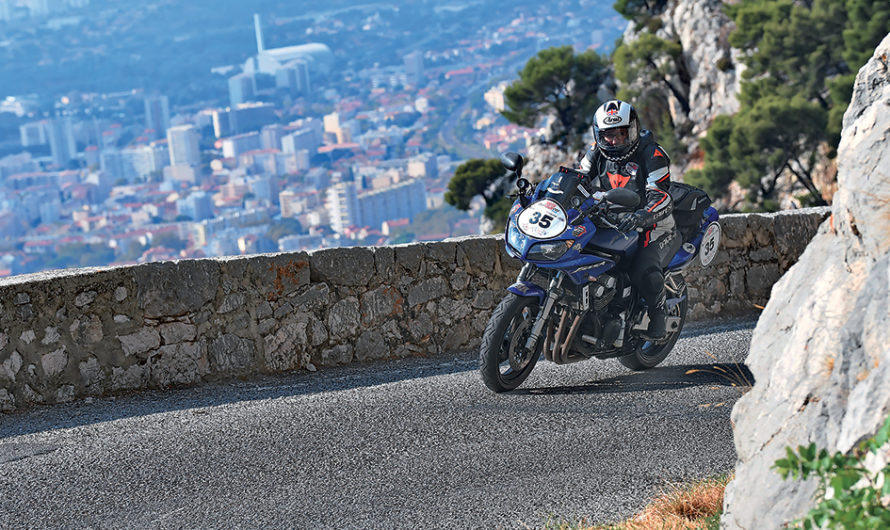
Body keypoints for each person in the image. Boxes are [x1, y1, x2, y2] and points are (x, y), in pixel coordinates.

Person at [577, 99, 679, 340]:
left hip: (653, 223)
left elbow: (661, 195)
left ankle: (658, 315)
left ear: (632, 130)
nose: (614, 141)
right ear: (599, 134)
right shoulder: (595, 152)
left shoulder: (652, 154)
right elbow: (578, 179)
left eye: (621, 134)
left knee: (643, 268)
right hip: (609, 221)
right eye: (608, 135)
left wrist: (642, 216)